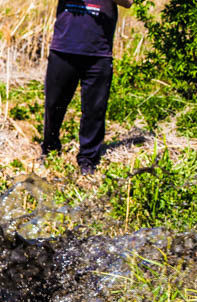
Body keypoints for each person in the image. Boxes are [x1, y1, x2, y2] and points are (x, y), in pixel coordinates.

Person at [41, 0, 133, 174]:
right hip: (63, 48)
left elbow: (128, 3)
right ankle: (50, 150)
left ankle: (88, 161)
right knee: (54, 105)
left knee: (94, 110)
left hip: (99, 52)